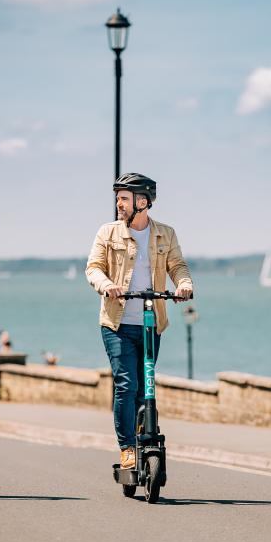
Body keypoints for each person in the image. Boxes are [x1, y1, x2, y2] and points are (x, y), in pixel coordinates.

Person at [86, 173, 193, 470]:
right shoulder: (108, 233)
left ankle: (143, 434)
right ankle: (127, 448)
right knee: (126, 384)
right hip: (117, 322)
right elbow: (93, 267)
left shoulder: (165, 234)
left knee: (146, 386)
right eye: (118, 198)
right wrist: (107, 284)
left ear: (142, 201)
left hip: (151, 322)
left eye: (124, 198)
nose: (118, 204)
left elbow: (177, 266)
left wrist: (183, 284)